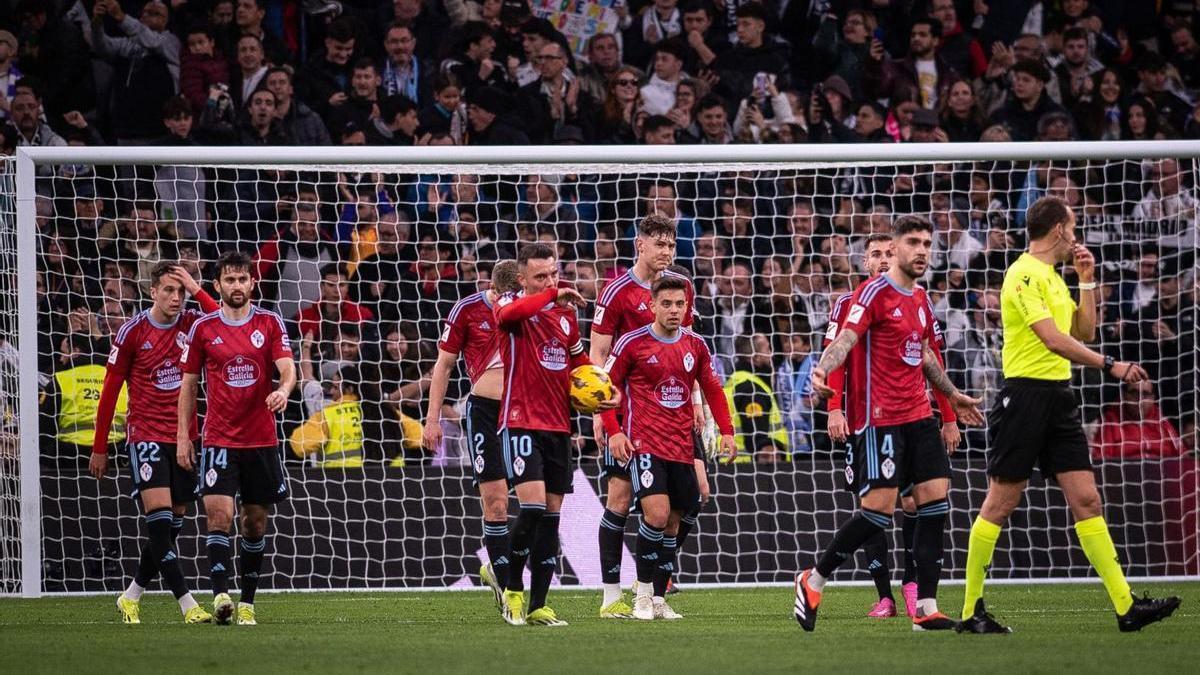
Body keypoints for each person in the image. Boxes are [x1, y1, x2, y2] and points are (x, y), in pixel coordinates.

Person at [957, 196, 1181, 634]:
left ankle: (1126, 607)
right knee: (1000, 504)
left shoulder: (1056, 278)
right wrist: (1110, 365)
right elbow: (1052, 340)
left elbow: (1083, 331)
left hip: (1059, 398)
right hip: (1022, 398)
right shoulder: (1022, 274)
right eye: (1073, 227)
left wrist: (1087, 281)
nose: (1076, 236)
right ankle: (970, 612)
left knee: (1087, 500)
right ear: (1058, 229)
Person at [797, 215, 983, 633]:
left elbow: (926, 356)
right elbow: (844, 339)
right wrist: (822, 373)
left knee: (935, 502)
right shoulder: (873, 294)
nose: (921, 251)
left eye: (927, 244)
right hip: (880, 422)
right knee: (877, 515)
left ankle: (926, 608)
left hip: (919, 418)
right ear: (896, 248)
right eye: (913, 243)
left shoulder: (918, 297)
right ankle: (814, 579)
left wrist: (951, 397)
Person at [493, 242, 617, 626]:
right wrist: (550, 294)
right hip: (520, 421)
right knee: (530, 508)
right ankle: (512, 590)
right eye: (540, 276)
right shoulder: (509, 306)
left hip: (559, 427)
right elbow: (512, 313)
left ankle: (538, 605)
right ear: (522, 278)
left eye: (553, 273)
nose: (550, 281)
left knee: (550, 518)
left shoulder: (565, 317)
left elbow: (578, 361)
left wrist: (603, 390)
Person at [600, 275, 735, 620]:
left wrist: (728, 431)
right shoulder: (631, 343)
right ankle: (641, 596)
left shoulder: (696, 345)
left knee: (674, 523)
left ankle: (659, 599)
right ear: (652, 306)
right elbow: (606, 390)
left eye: (679, 304)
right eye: (666, 304)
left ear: (687, 307)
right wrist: (615, 431)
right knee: (656, 515)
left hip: (681, 445)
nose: (674, 310)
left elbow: (714, 389)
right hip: (644, 444)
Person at [90, 263, 219, 625]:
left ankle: (131, 596)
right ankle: (188, 605)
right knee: (160, 523)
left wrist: (196, 287)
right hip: (145, 435)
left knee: (171, 527)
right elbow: (110, 392)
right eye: (168, 290)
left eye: (180, 292)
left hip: (185, 438)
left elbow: (224, 320)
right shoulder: (133, 332)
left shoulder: (192, 323)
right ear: (152, 292)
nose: (175, 298)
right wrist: (100, 446)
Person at [177, 251, 297, 626]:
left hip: (260, 440)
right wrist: (184, 435)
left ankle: (247, 602)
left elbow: (288, 369)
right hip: (218, 439)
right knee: (219, 516)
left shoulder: (270, 322)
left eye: (243, 279)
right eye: (229, 280)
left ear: (252, 283)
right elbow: (189, 385)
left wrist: (284, 391)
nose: (237, 286)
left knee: (254, 523)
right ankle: (220, 596)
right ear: (218, 286)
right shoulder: (202, 328)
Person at [589, 214, 699, 619]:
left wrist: (698, 404)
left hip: (675, 412)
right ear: (640, 245)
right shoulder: (617, 291)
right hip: (629, 413)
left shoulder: (681, 288)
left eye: (671, 245)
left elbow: (689, 350)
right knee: (619, 499)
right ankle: (610, 595)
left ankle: (650, 583)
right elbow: (598, 352)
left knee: (694, 496)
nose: (667, 252)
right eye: (659, 244)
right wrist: (600, 413)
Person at [423, 260, 520, 612]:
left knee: (537, 505)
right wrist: (432, 420)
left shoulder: (528, 309)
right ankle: (509, 587)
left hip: (524, 413)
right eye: (500, 297)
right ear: (491, 288)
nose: (504, 304)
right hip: (483, 413)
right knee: (496, 503)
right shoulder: (467, 309)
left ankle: (509, 571)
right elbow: (444, 366)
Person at [1092, 381, 1183, 460]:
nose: (1140, 399)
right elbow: (1101, 458)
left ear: (1153, 398)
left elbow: (1182, 455)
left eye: (1146, 394)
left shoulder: (1162, 421)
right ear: (1124, 395)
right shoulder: (1110, 421)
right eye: (1135, 393)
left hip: (1162, 475)